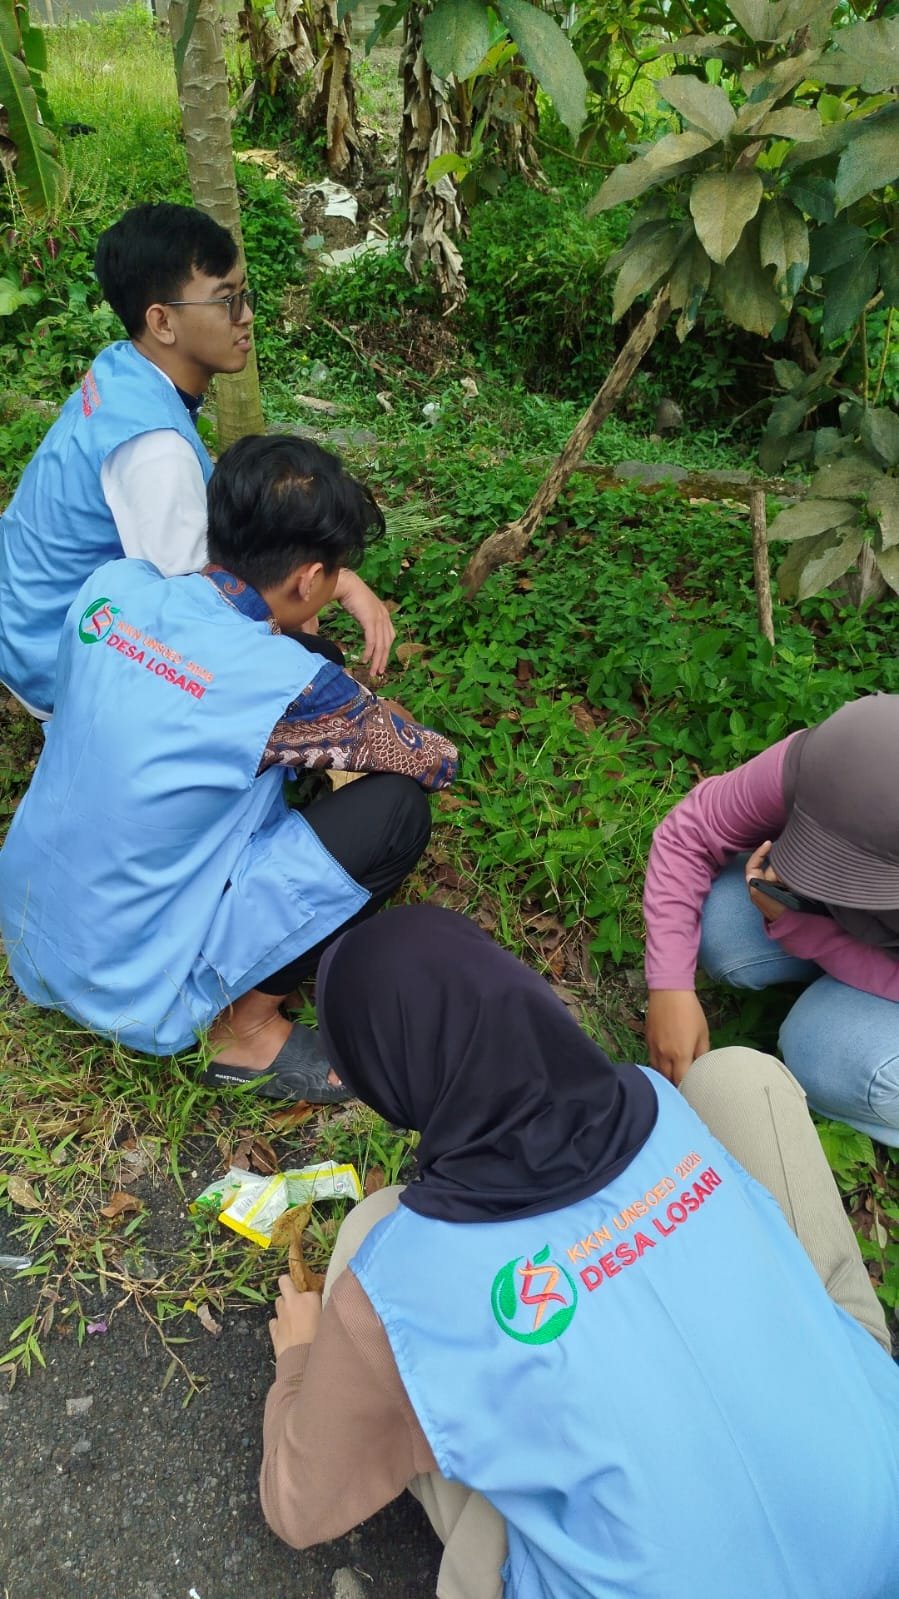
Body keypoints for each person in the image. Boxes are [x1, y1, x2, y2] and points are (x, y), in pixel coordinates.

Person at [260, 905, 899, 1599]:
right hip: (879, 1516)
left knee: (370, 1224)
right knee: (736, 1080)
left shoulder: (398, 1276)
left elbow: (298, 1508)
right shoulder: (658, 1101)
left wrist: (299, 1362)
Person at [0, 437, 457, 1101]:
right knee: (395, 811)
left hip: (30, 926)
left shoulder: (115, 588)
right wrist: (372, 707)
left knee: (312, 659)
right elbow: (431, 759)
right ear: (310, 580)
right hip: (131, 982)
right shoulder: (290, 686)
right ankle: (246, 1029)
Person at [0, 202, 393, 719]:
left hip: (27, 617)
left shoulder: (123, 369)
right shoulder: (155, 451)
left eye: (244, 295)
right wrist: (330, 585)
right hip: (56, 662)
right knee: (310, 659)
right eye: (226, 301)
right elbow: (204, 619)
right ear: (162, 321)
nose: (246, 316)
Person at [643, 692, 899, 1146]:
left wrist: (804, 931)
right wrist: (669, 985)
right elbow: (690, 833)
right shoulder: (837, 758)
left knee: (819, 1049)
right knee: (723, 919)